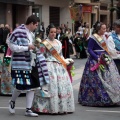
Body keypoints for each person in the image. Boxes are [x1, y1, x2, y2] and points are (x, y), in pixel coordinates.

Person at [32, 24, 75, 114]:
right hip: (48, 66)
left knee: (62, 86)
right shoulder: (44, 43)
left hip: (59, 66)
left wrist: (66, 61)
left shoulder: (59, 42)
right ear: (48, 32)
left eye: (55, 32)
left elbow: (61, 55)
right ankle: (47, 107)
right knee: (51, 86)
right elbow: (41, 56)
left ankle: (61, 107)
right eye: (51, 32)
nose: (53, 34)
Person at [78, 22, 120, 106]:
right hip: (95, 60)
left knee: (109, 79)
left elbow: (107, 48)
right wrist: (97, 58)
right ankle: (96, 98)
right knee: (96, 80)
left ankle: (110, 97)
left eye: (105, 28)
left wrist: (113, 53)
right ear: (98, 29)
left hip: (105, 59)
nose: (105, 30)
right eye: (103, 29)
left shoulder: (106, 37)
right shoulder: (93, 38)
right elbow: (89, 50)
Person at [8, 15, 40, 117]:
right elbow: (11, 46)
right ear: (31, 23)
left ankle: (28, 109)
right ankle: (12, 101)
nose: (36, 27)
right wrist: (26, 47)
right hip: (19, 63)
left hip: (30, 63)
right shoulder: (18, 31)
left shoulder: (31, 34)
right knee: (20, 86)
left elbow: (31, 47)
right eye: (36, 25)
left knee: (32, 86)